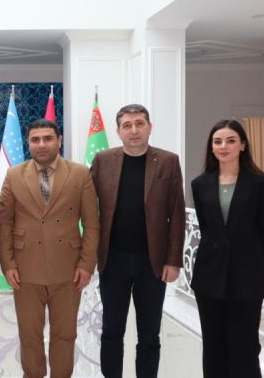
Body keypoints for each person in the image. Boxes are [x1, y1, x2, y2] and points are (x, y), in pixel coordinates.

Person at [0, 118, 100, 378]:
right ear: (28, 143)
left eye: (47, 138)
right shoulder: (14, 175)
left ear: (59, 141)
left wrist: (86, 264)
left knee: (65, 334)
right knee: (29, 335)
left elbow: (92, 224)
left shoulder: (80, 173)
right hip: (25, 269)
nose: (41, 144)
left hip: (68, 269)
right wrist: (8, 264)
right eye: (35, 140)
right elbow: (4, 223)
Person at [89, 104, 185, 378]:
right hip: (113, 260)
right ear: (118, 131)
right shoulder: (103, 160)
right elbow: (86, 205)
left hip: (152, 262)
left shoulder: (167, 161)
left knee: (149, 334)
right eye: (127, 125)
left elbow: (177, 213)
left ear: (149, 127)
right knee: (111, 331)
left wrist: (173, 260)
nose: (134, 130)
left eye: (139, 123)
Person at [191, 119, 264, 378]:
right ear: (211, 147)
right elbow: (207, 229)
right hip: (209, 276)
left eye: (230, 140)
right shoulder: (200, 184)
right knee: (213, 346)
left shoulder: (261, 184)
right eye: (217, 141)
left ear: (243, 145)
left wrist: (253, 266)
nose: (223, 146)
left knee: (244, 346)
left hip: (246, 278)